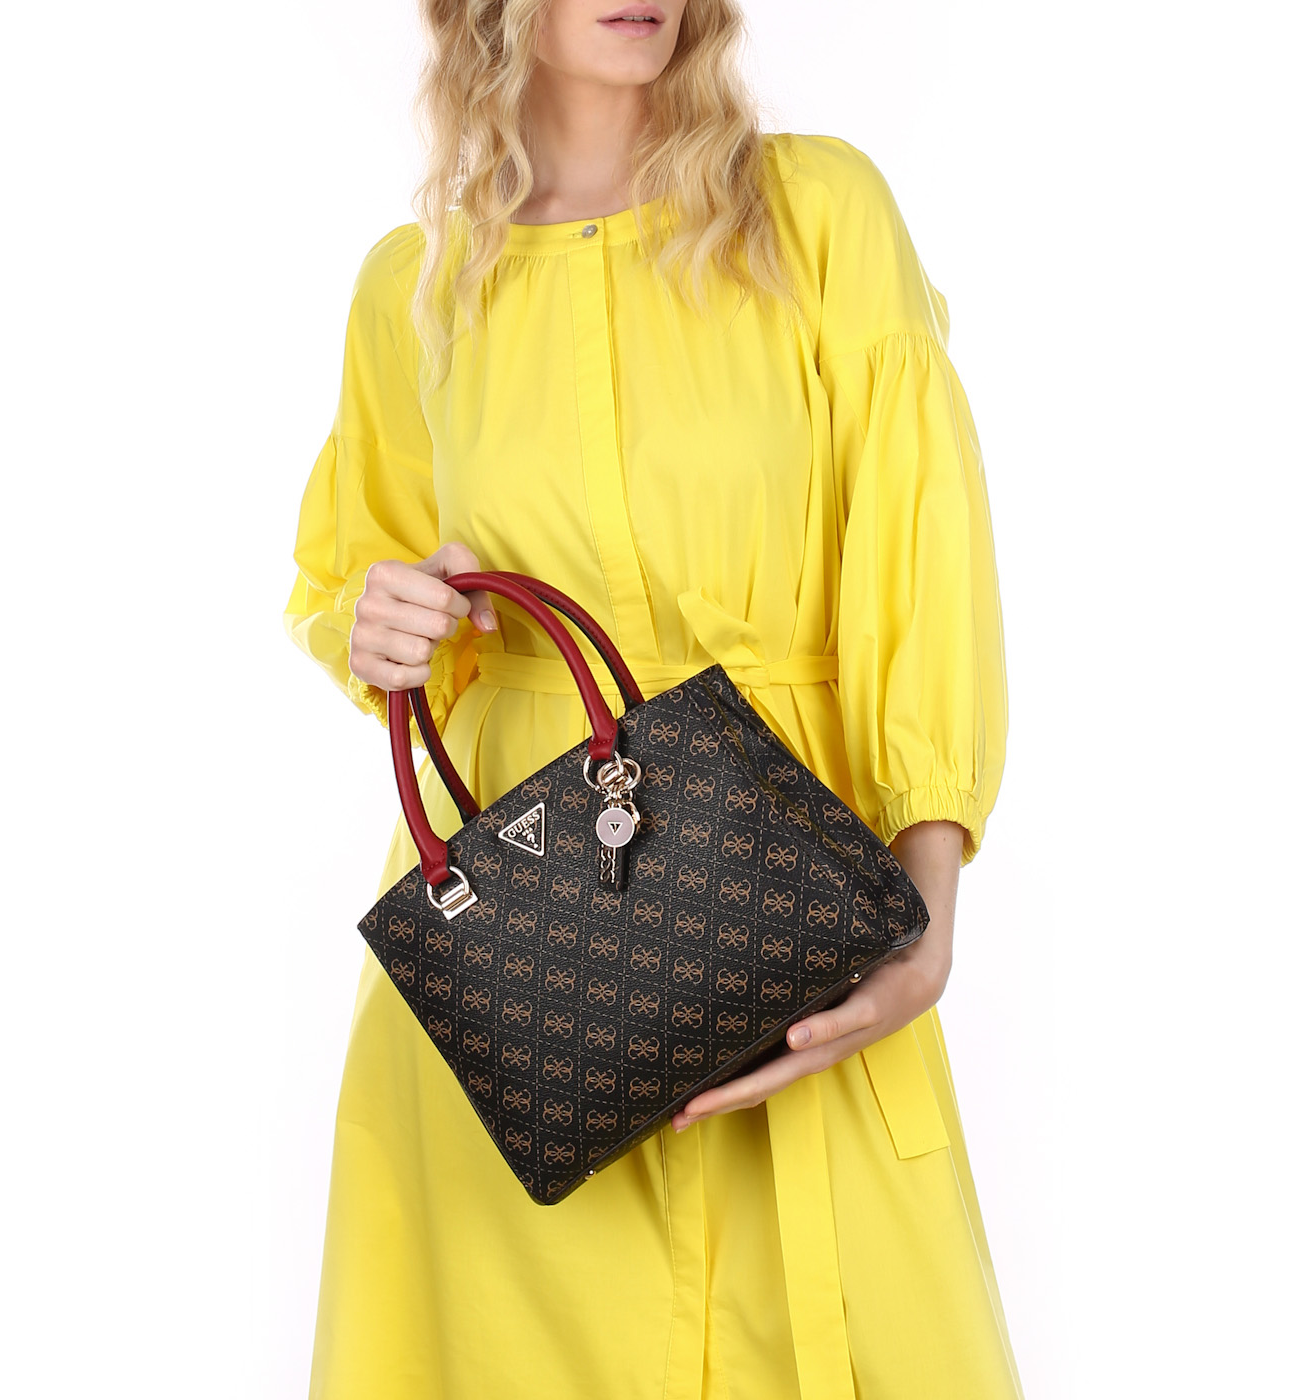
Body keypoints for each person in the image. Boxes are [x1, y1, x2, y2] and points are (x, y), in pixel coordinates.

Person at [283, 2, 1021, 1396]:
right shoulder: (415, 285)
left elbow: (922, 551)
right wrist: (379, 620)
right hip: (523, 960)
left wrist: (928, 911)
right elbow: (350, 572)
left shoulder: (815, 214)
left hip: (784, 897)